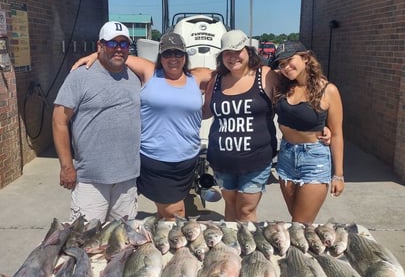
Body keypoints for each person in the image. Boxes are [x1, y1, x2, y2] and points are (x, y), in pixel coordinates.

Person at [72, 32, 214, 221]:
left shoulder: (197, 77)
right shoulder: (150, 71)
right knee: (176, 212)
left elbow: (228, 72)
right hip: (154, 158)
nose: (173, 58)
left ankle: (162, 241)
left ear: (185, 56)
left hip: (186, 160)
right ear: (160, 56)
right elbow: (118, 55)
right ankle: (173, 244)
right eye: (167, 54)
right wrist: (95, 55)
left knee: (166, 211)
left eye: (178, 53)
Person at [52, 21, 142, 223]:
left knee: (121, 244)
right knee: (86, 243)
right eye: (112, 43)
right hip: (90, 181)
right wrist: (66, 166)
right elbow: (59, 121)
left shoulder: (135, 77)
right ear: (100, 46)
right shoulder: (80, 76)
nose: (118, 48)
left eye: (124, 44)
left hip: (127, 180)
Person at [202, 30, 280, 222]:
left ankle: (249, 250)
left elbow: (291, 104)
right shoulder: (217, 80)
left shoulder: (266, 75)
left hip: (256, 160)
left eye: (238, 50)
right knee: (230, 205)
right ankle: (230, 250)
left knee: (246, 210)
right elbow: (206, 111)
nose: (233, 57)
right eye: (227, 52)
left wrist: (322, 126)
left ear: (249, 51)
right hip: (222, 160)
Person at [272, 40, 344, 223]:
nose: (286, 67)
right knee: (297, 219)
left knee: (300, 224)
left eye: (290, 60)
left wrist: (339, 175)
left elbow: (336, 135)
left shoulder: (328, 90)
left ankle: (298, 252)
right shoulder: (284, 85)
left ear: (305, 58)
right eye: (281, 64)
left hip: (314, 159)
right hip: (286, 156)